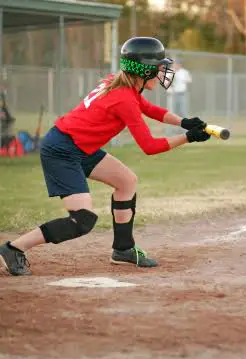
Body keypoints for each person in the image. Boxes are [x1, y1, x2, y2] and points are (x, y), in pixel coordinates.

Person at [0, 37, 210, 277]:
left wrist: (183, 122)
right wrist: (188, 137)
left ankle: (123, 249)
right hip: (62, 150)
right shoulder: (124, 98)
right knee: (82, 221)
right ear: (144, 69)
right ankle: (13, 248)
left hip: (79, 146)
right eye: (158, 66)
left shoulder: (123, 85)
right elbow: (150, 146)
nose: (162, 71)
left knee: (126, 181)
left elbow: (149, 109)